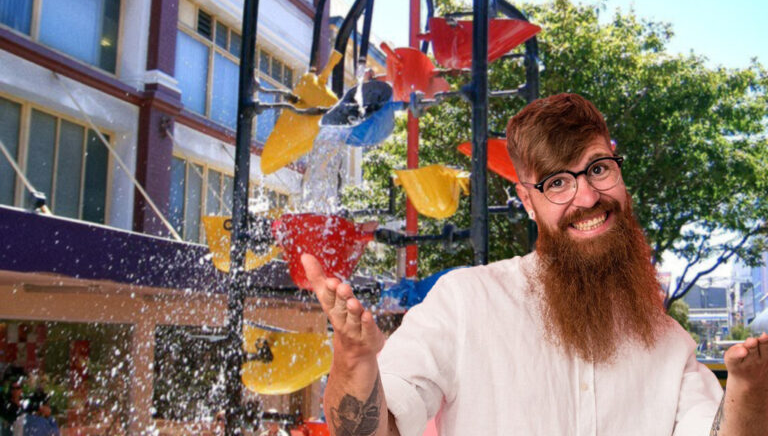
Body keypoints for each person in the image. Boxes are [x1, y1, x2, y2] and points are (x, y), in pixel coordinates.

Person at [302, 93, 768, 436]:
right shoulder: (465, 303)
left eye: (599, 169)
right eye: (558, 183)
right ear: (526, 201)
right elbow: (372, 431)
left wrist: (749, 389)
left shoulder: (669, 343)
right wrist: (355, 361)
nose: (587, 197)